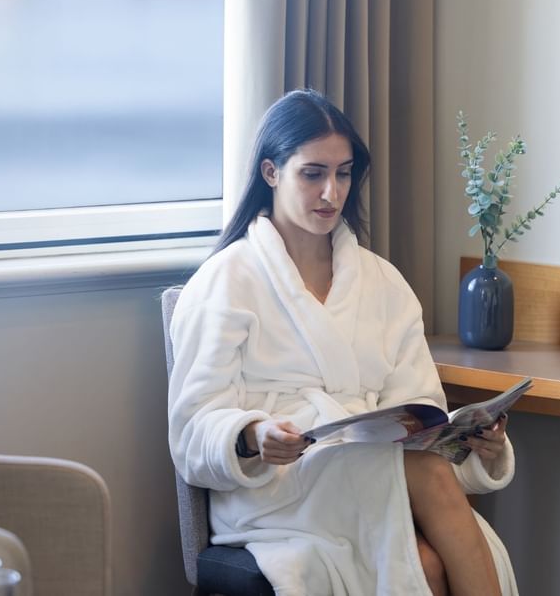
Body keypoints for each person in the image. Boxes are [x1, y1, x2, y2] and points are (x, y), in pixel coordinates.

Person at [167, 89, 517, 595]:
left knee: (429, 564)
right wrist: (251, 434)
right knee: (430, 483)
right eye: (313, 174)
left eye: (344, 173)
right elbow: (192, 430)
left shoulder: (383, 282)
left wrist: (471, 442)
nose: (332, 192)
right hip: (279, 486)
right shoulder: (225, 281)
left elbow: (422, 411)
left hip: (373, 475)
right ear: (271, 173)